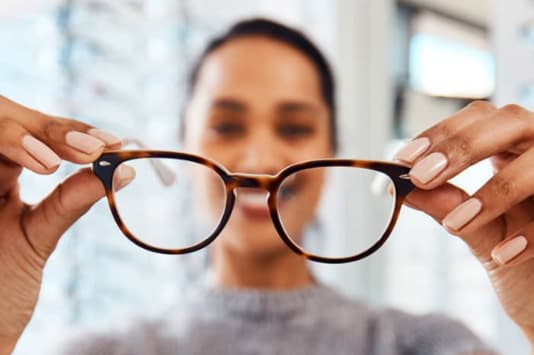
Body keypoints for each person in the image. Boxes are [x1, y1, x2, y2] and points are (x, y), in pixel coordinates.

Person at [0, 18, 533, 355]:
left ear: (330, 150)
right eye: (227, 126)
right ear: (181, 145)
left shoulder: (428, 347)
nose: (258, 158)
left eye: (295, 127)